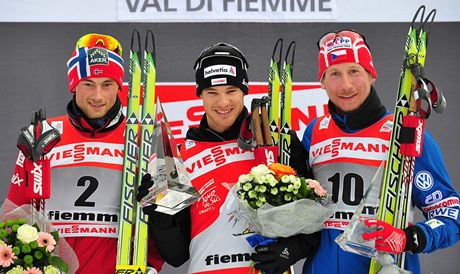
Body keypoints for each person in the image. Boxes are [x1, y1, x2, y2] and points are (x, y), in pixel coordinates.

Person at [137, 42, 320, 274]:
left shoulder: (276, 141)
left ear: (244, 91)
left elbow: (314, 217)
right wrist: (159, 215)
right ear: (200, 95)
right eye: (212, 93)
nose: (223, 103)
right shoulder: (180, 155)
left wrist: (287, 251)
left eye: (231, 91)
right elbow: (176, 255)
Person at [300, 29, 460, 274]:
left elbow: (450, 214)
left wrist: (410, 237)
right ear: (321, 81)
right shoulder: (315, 132)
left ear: (371, 73)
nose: (346, 85)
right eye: (334, 74)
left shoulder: (403, 131)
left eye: (354, 71)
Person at [5, 33, 162, 273]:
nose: (98, 96)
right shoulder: (43, 135)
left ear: (120, 86)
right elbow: (15, 215)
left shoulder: (145, 137)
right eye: (88, 84)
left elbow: (161, 220)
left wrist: (151, 265)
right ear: (73, 85)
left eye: (107, 84)